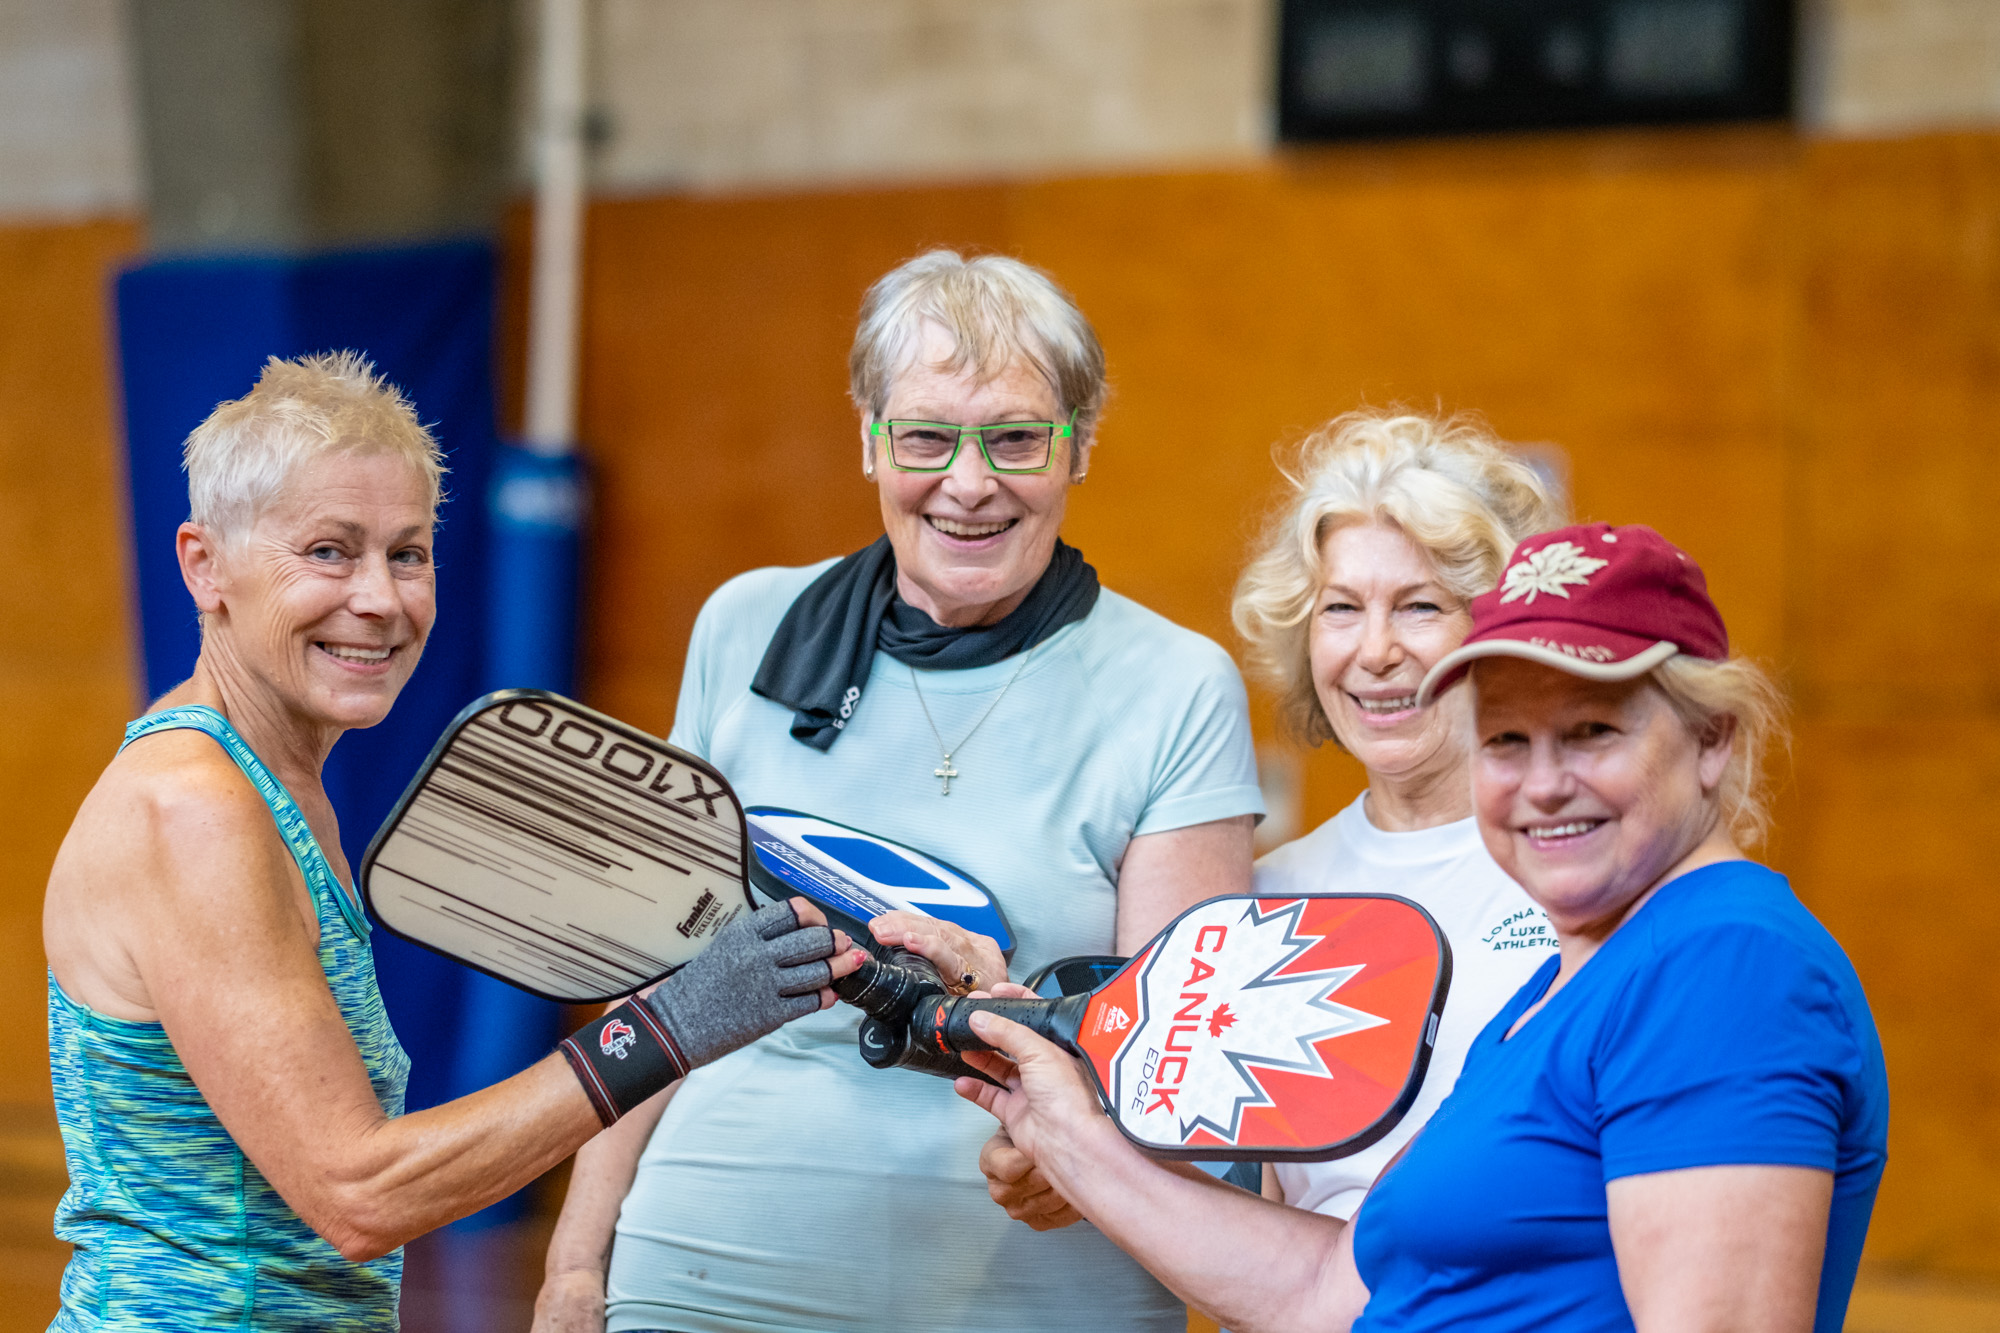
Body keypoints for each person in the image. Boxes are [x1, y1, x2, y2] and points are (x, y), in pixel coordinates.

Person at [41, 352, 858, 1331]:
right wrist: (669, 1028)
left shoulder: (281, 785)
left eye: (408, 552)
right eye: (329, 551)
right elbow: (357, 1191)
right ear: (203, 564)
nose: (382, 598)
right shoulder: (194, 807)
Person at [533, 250, 1264, 1333]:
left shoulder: (1172, 685)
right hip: (707, 1259)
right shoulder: (742, 627)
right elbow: (660, 988)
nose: (969, 483)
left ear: (1080, 445)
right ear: (870, 436)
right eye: (926, 435)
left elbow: (1174, 1058)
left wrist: (1075, 1164)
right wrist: (574, 1261)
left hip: (1030, 1276)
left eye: (1016, 436)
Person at [955, 521, 1889, 1333]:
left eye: (1594, 731)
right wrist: (1066, 1128)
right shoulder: (1562, 986)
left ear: (1713, 738)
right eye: (1506, 740)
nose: (1543, 782)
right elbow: (1327, 1288)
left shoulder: (1723, 963)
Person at [980, 409, 1565, 1236]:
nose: (1375, 650)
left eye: (1421, 606)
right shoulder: (1270, 897)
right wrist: (1070, 1160)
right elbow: (1248, 1206)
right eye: (1340, 609)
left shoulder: (1582, 875)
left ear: (1498, 629)